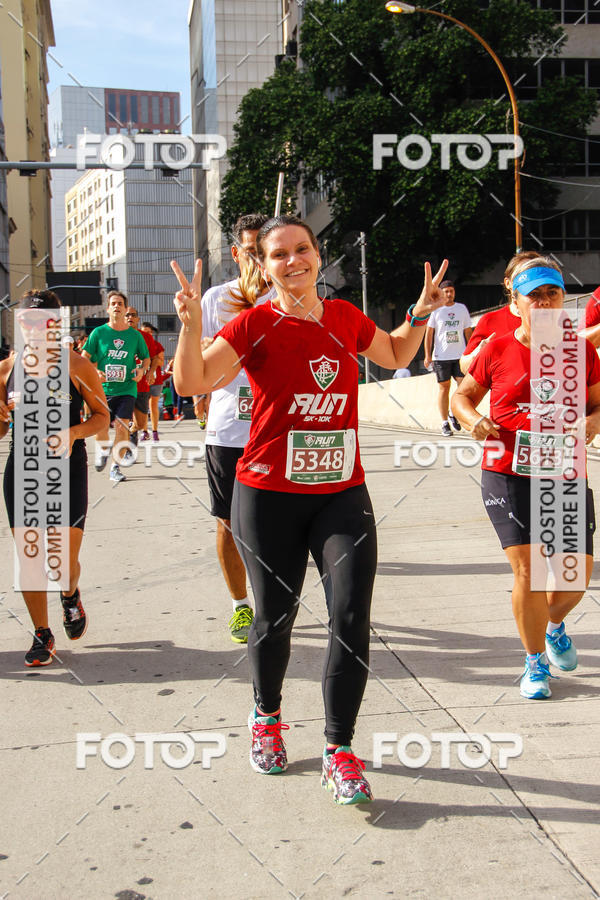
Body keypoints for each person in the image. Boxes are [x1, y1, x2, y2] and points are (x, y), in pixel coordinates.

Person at [171, 214, 448, 804]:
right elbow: (193, 381)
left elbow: (397, 355)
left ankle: (338, 750)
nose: (293, 261)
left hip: (341, 492)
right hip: (268, 494)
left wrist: (419, 313)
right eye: (279, 254)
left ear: (319, 256)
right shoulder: (252, 324)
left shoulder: (345, 317)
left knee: (350, 615)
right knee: (276, 619)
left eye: (303, 249)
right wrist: (191, 327)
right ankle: (266, 716)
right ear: (261, 265)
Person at [451, 256, 600, 700]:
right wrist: (472, 419)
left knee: (573, 578)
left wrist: (594, 422)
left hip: (565, 472)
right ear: (515, 304)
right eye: (533, 295)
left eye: (552, 293)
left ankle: (553, 627)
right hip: (507, 471)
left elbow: (597, 403)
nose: (545, 301)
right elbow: (462, 396)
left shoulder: (580, 350)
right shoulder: (497, 348)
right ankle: (535, 662)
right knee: (530, 571)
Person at [0, 290, 109, 665]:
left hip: (67, 468)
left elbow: (102, 416)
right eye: (26, 322)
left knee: (62, 563)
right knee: (30, 556)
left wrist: (72, 433)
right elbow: (0, 429)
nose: (33, 330)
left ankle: (70, 594)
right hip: (23, 468)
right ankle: (42, 635)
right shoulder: (6, 368)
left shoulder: (76, 366)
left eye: (41, 322)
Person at [200, 212, 274, 643]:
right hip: (229, 429)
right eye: (250, 251)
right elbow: (204, 367)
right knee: (227, 522)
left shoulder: (289, 295)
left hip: (278, 428)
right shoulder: (217, 298)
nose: (258, 260)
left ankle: (272, 600)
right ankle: (240, 605)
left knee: (275, 523)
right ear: (236, 253)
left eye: (263, 251)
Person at [82, 291, 149, 483]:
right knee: (101, 428)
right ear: (108, 308)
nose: (117, 306)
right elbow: (84, 359)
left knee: (122, 426)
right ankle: (103, 449)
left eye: (120, 303)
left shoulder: (134, 336)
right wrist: (95, 373)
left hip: (127, 389)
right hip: (102, 390)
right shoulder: (98, 333)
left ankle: (115, 467)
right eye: (113, 303)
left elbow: (146, 358)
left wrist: (141, 371)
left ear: (125, 308)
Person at [459, 250, 542, 375]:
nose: (528, 282)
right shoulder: (490, 321)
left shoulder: (553, 320)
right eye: (522, 276)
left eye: (534, 276)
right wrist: (478, 354)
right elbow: (464, 367)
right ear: (508, 283)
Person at [423, 280, 472, 435]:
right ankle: (444, 422)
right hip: (441, 356)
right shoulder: (436, 311)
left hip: (460, 355)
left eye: (451, 291)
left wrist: (471, 351)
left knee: (463, 387)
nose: (449, 294)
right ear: (441, 293)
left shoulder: (461, 309)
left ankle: (454, 413)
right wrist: (427, 355)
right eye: (446, 291)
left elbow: (468, 332)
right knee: (444, 387)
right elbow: (429, 334)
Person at [124, 307, 161, 446]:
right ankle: (125, 446)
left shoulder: (146, 337)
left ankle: (133, 431)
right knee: (123, 417)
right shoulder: (116, 336)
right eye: (127, 315)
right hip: (122, 385)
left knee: (141, 422)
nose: (130, 318)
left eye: (133, 315)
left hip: (141, 384)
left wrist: (151, 372)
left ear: (138, 319)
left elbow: (155, 358)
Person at [140, 322, 165, 442]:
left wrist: (152, 360)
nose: (147, 334)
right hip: (141, 380)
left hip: (156, 379)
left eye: (149, 332)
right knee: (143, 406)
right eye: (144, 331)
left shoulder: (156, 345)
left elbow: (161, 362)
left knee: (153, 405)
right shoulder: (137, 344)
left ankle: (155, 431)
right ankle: (145, 432)